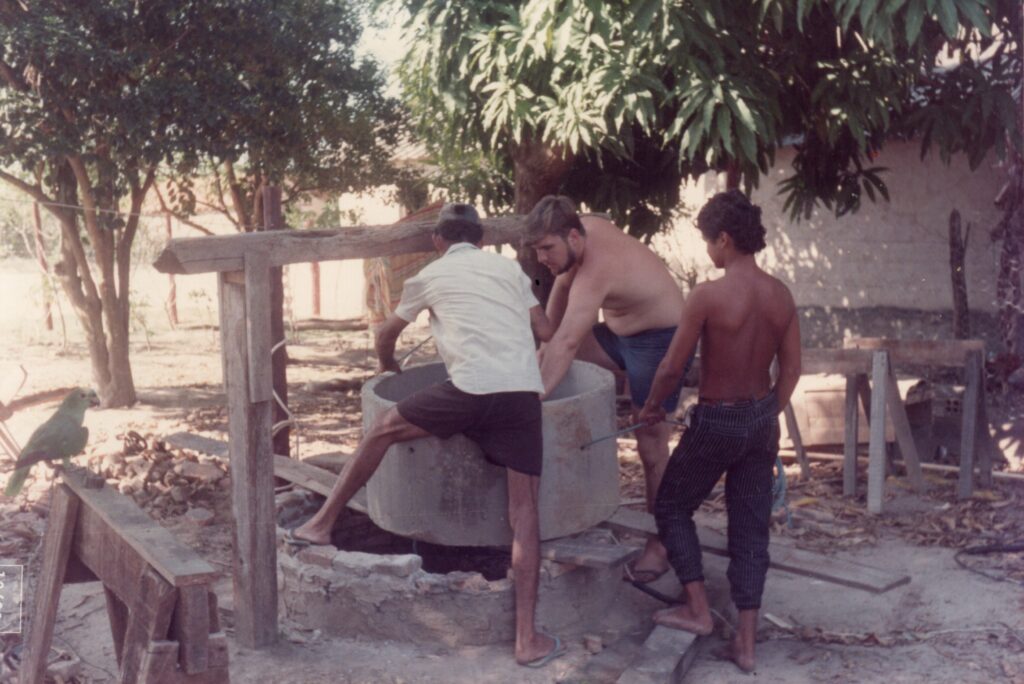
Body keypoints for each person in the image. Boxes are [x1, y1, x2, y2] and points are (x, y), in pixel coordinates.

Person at [290, 203, 562, 668]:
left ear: (438, 241)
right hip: (520, 395)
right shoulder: (511, 271)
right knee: (525, 512)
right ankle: (526, 639)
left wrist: (388, 366)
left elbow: (386, 333)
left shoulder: (430, 275)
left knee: (382, 430)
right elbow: (545, 329)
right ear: (480, 240)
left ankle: (320, 525)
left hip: (468, 389)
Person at [637, 190, 801, 673]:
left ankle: (697, 609)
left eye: (709, 242)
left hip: (717, 419)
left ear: (725, 240)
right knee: (751, 531)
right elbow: (791, 370)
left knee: (671, 505)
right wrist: (765, 414)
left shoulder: (708, 295)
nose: (708, 252)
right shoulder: (780, 294)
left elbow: (672, 366)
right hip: (759, 419)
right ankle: (746, 646)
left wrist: (651, 407)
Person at [523, 196, 685, 582]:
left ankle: (661, 542)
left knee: (650, 442)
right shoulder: (582, 230)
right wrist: (544, 343)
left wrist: (535, 397)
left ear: (574, 237)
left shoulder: (598, 265)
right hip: (618, 334)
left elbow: (567, 343)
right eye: (536, 249)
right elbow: (562, 285)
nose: (542, 257)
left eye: (547, 248)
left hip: (659, 340)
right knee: (555, 353)